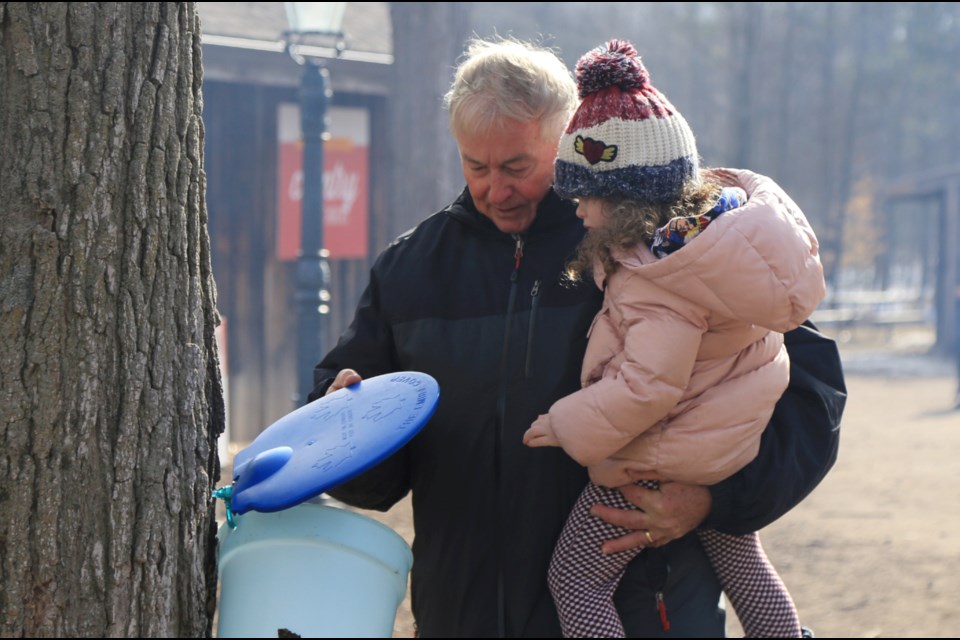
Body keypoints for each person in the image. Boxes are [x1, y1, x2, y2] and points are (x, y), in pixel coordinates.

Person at [310, 36, 846, 638]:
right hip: (461, 617)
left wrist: (717, 500)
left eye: (517, 166)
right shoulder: (409, 271)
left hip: (650, 613)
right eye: (475, 166)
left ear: (571, 143)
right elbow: (372, 475)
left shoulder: (661, 246)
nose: (495, 189)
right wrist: (344, 422)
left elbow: (810, 395)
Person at [521, 40, 824, 638]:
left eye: (588, 195)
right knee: (748, 570)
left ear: (628, 199)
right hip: (725, 450)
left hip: (660, 460)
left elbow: (647, 386)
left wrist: (567, 422)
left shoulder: (656, 281)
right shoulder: (715, 249)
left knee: (576, 581)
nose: (578, 211)